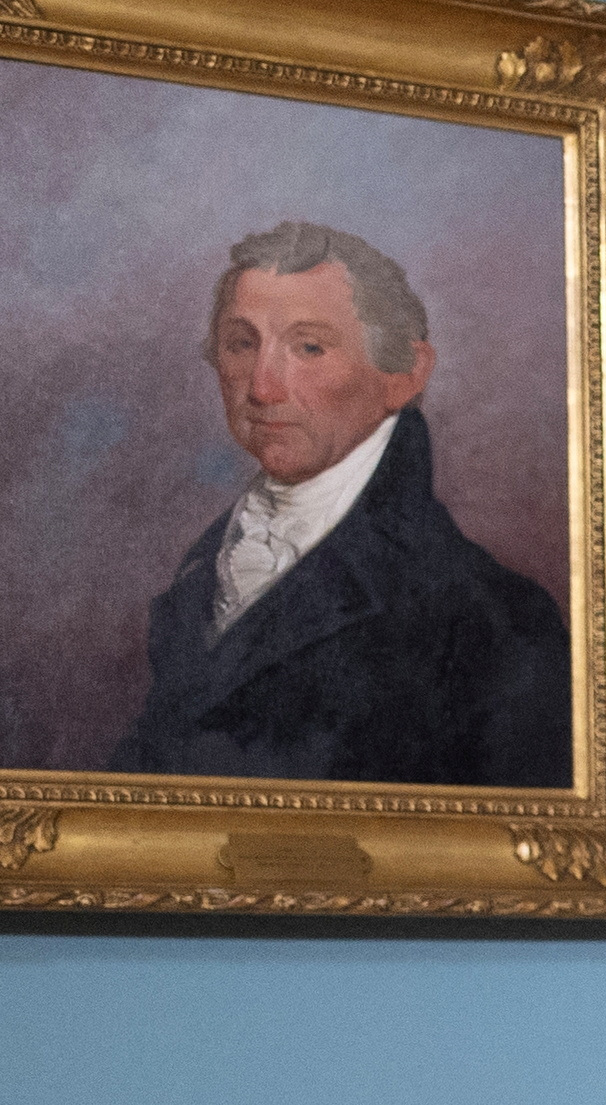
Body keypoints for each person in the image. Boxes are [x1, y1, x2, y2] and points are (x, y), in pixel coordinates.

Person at [114, 221, 569, 788]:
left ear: (404, 374)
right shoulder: (202, 571)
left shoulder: (497, 622)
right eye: (241, 343)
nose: (262, 387)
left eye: (309, 347)